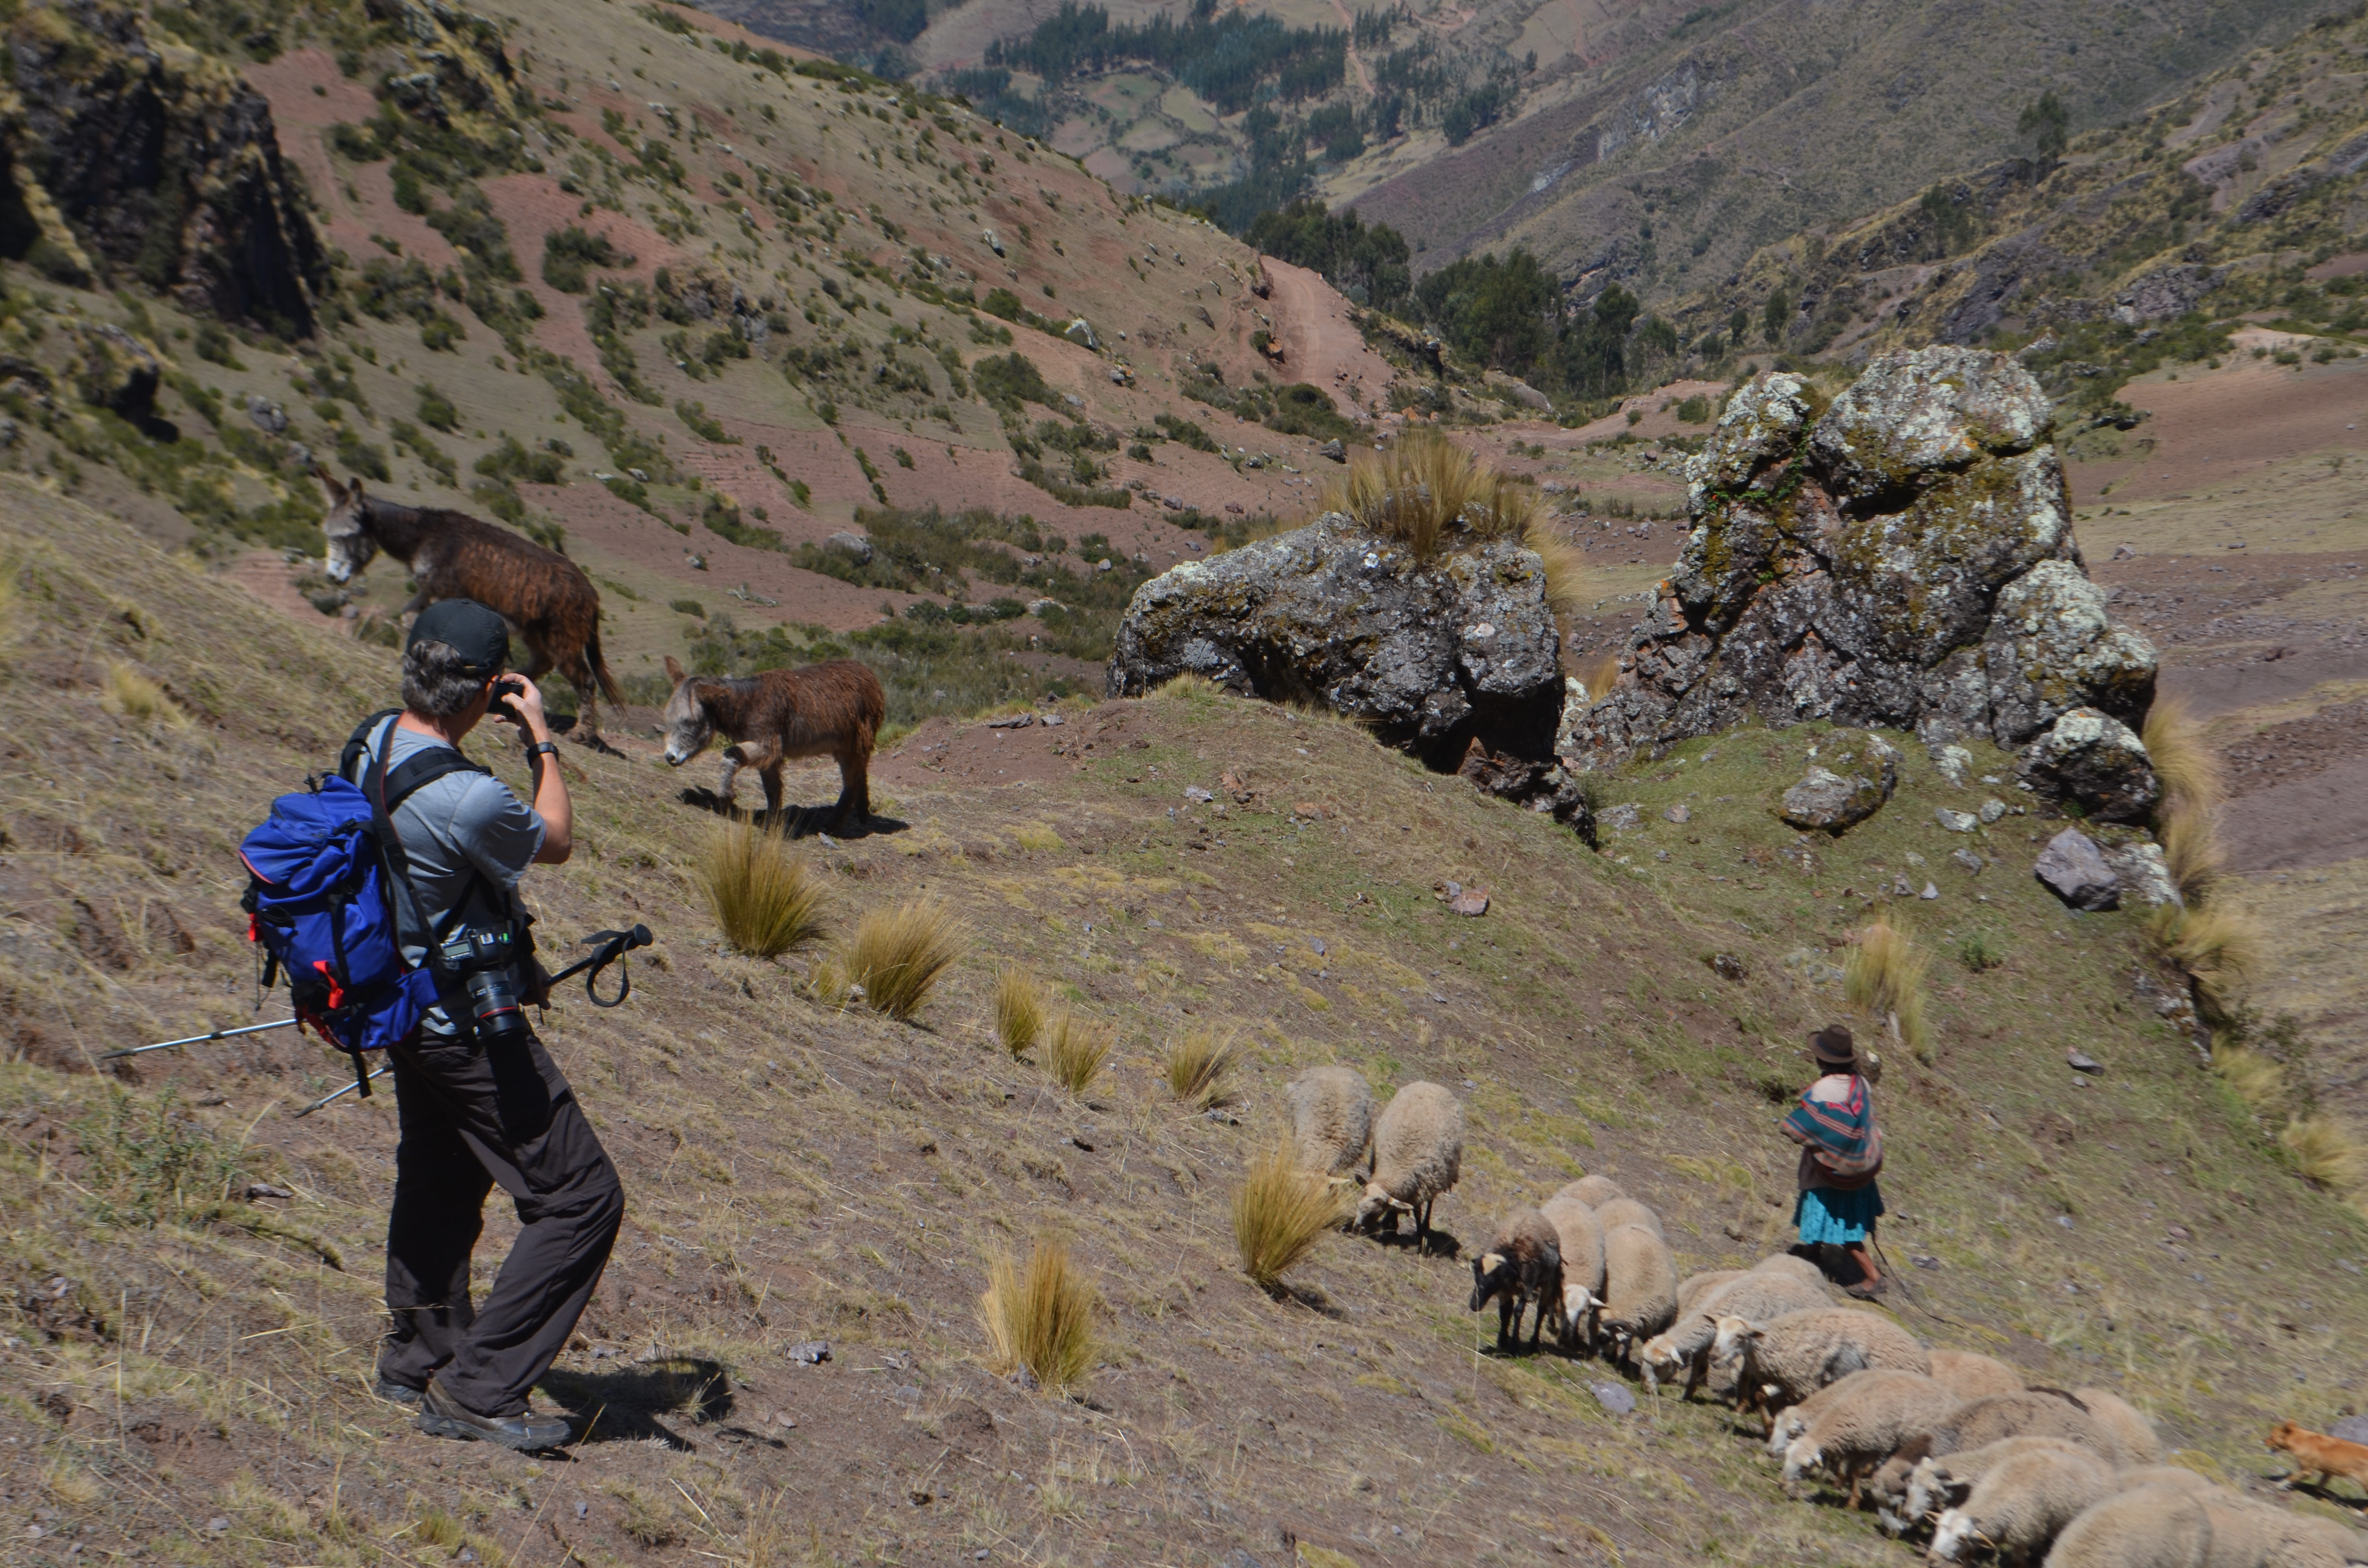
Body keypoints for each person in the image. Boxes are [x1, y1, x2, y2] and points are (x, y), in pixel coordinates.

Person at [345, 598, 625, 1449]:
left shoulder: (371, 740)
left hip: (402, 1003)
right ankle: (479, 1388)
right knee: (581, 1196)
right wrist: (540, 736)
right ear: (487, 689)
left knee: (442, 1172)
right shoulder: (465, 796)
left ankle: (416, 1354)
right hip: (464, 1023)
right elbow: (556, 837)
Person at [1782, 1024, 1886, 1299]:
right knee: (1838, 1215)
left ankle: (1872, 1277)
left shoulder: (1823, 1089)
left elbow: (1807, 1124)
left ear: (1823, 1060)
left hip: (1833, 1170)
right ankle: (1812, 1251)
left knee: (1845, 1228)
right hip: (1859, 1164)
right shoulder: (1861, 1083)